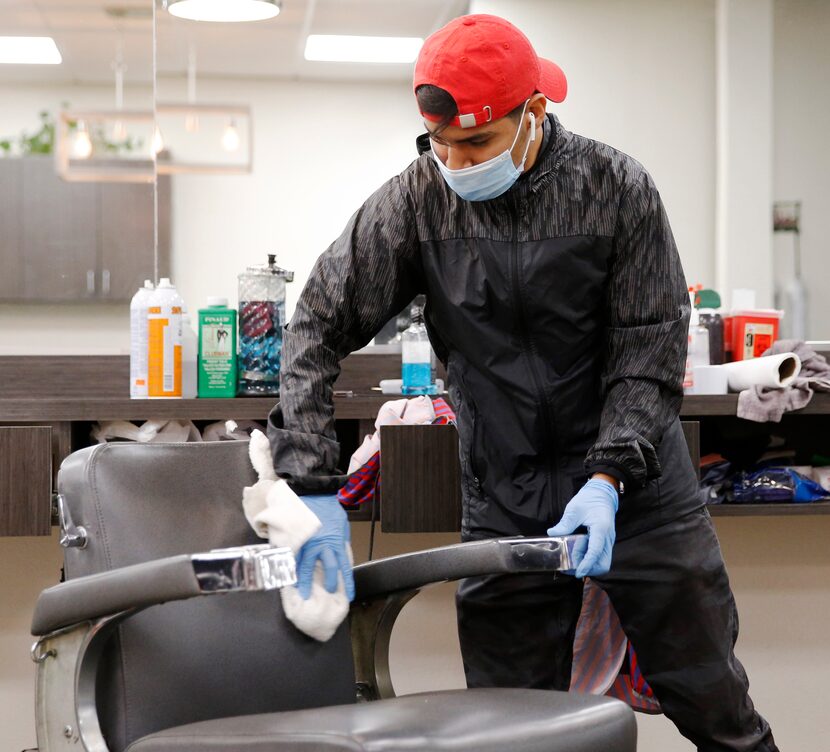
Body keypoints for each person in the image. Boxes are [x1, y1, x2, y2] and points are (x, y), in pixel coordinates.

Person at [267, 13, 778, 752]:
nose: (455, 162)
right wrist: (311, 483)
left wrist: (607, 478)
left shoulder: (617, 188)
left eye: (475, 142)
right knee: (510, 730)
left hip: (636, 493)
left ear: (534, 113)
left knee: (716, 707)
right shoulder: (415, 202)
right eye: (439, 144)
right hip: (505, 493)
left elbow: (648, 350)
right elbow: (315, 324)